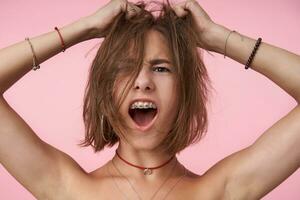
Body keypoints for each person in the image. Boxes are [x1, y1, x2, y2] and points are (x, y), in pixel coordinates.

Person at [0, 0, 299, 199]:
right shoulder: (68, 188)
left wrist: (217, 37)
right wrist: (83, 29)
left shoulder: (219, 191)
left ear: (184, 91)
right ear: (105, 90)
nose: (143, 82)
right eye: (126, 69)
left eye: (161, 68)